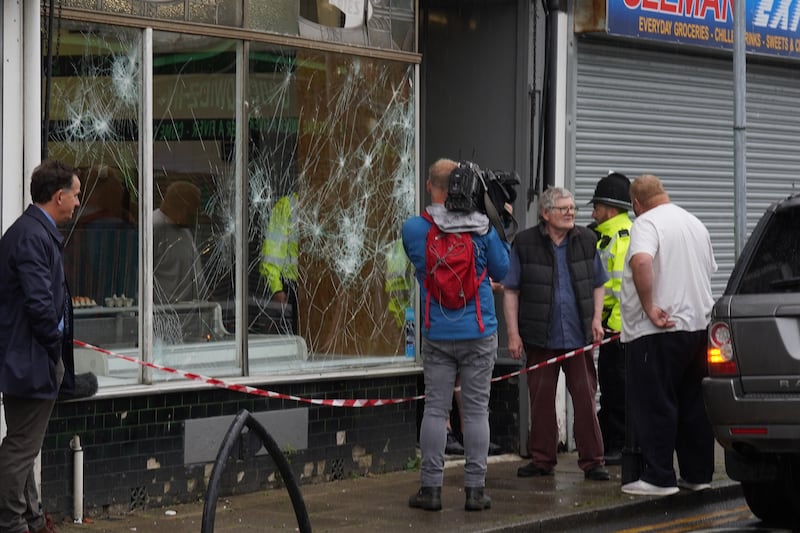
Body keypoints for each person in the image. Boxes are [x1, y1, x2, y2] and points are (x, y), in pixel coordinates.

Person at [403, 158, 509, 512]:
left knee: (435, 410)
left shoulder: (415, 229)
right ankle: (475, 492)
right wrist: (495, 216)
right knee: (477, 412)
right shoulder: (482, 229)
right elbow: (504, 269)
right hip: (478, 331)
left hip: (437, 331)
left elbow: (420, 266)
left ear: (432, 187)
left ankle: (430, 490)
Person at [503, 186, 610, 482]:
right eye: (563, 208)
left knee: (586, 399)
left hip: (578, 337)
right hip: (540, 336)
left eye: (572, 208)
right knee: (541, 400)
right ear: (545, 213)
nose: (570, 213)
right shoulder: (524, 243)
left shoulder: (587, 240)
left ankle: (593, 461)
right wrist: (513, 335)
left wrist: (597, 320)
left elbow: (599, 283)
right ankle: (542, 460)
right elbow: (511, 291)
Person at [620, 174, 717, 496]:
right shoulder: (694, 223)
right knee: (693, 403)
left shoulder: (646, 224)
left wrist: (649, 306)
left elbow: (642, 261)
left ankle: (659, 477)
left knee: (654, 402)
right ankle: (698, 474)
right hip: (697, 327)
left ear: (636, 204)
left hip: (657, 330)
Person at [0, 159, 81, 533]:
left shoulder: (29, 231)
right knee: (20, 448)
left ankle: (31, 517)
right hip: (31, 358)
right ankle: (13, 520)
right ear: (59, 196)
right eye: (76, 195)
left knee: (24, 443)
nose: (79, 202)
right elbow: (39, 304)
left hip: (27, 355)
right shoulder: (33, 236)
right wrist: (54, 349)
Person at [587, 172, 633, 466]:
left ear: (611, 208)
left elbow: (624, 289)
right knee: (611, 388)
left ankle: (620, 444)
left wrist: (613, 326)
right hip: (610, 328)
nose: (593, 211)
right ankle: (611, 440)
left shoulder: (623, 236)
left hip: (620, 330)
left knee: (618, 390)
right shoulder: (605, 235)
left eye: (598, 206)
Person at [153, 181, 204, 304]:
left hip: (191, 313)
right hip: (164, 316)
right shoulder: (153, 227)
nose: (198, 214)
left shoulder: (183, 229)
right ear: (184, 207)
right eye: (195, 209)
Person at [259, 192, 299, 333]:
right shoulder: (287, 205)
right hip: (290, 289)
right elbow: (272, 252)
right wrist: (276, 288)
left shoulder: (327, 205)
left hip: (317, 290)